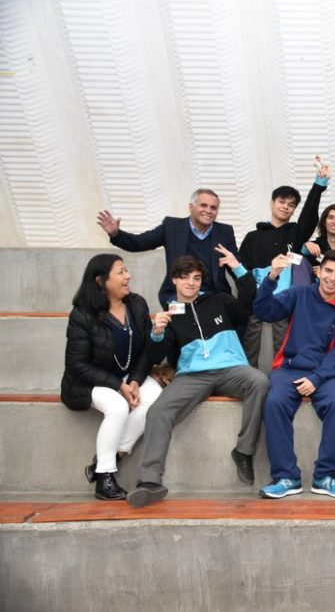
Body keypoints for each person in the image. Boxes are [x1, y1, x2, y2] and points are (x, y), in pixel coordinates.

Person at [126, 255, 269, 508]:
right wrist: (157, 332)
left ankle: (244, 451)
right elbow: (156, 355)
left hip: (230, 368)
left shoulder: (219, 300)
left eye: (196, 278)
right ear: (174, 280)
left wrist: (238, 267)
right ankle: (150, 482)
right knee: (158, 411)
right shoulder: (170, 314)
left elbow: (248, 301)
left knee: (259, 381)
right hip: (192, 375)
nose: (191, 283)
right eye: (184, 278)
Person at [253, 250, 335, 499]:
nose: (332, 278)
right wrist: (272, 277)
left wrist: (317, 378)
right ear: (319, 271)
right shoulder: (299, 294)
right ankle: (286, 477)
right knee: (275, 402)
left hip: (327, 373)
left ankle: (325, 476)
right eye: (328, 271)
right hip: (291, 368)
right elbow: (264, 311)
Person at [61, 255, 162, 500]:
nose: (128, 276)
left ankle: (109, 458)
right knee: (118, 406)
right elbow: (77, 365)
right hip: (88, 382)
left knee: (155, 398)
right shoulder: (82, 315)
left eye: (127, 270)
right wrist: (119, 385)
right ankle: (105, 478)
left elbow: (147, 351)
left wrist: (135, 380)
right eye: (121, 272)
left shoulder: (137, 304)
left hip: (127, 376)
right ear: (101, 281)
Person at [238, 158, 329, 367]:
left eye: (291, 205)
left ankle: (283, 376)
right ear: (272, 203)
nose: (286, 207)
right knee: (250, 344)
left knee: (285, 346)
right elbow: (243, 270)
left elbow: (309, 217)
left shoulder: (296, 233)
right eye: (282, 202)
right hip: (257, 298)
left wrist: (319, 184)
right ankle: (247, 378)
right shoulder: (253, 237)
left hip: (285, 300)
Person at [97, 189, 240, 308]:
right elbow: (140, 243)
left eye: (213, 207)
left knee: (227, 325)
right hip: (176, 297)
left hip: (214, 297)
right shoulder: (172, 227)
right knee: (180, 325)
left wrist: (245, 279)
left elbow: (237, 267)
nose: (208, 211)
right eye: (203, 205)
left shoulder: (225, 232)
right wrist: (116, 234)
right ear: (191, 207)